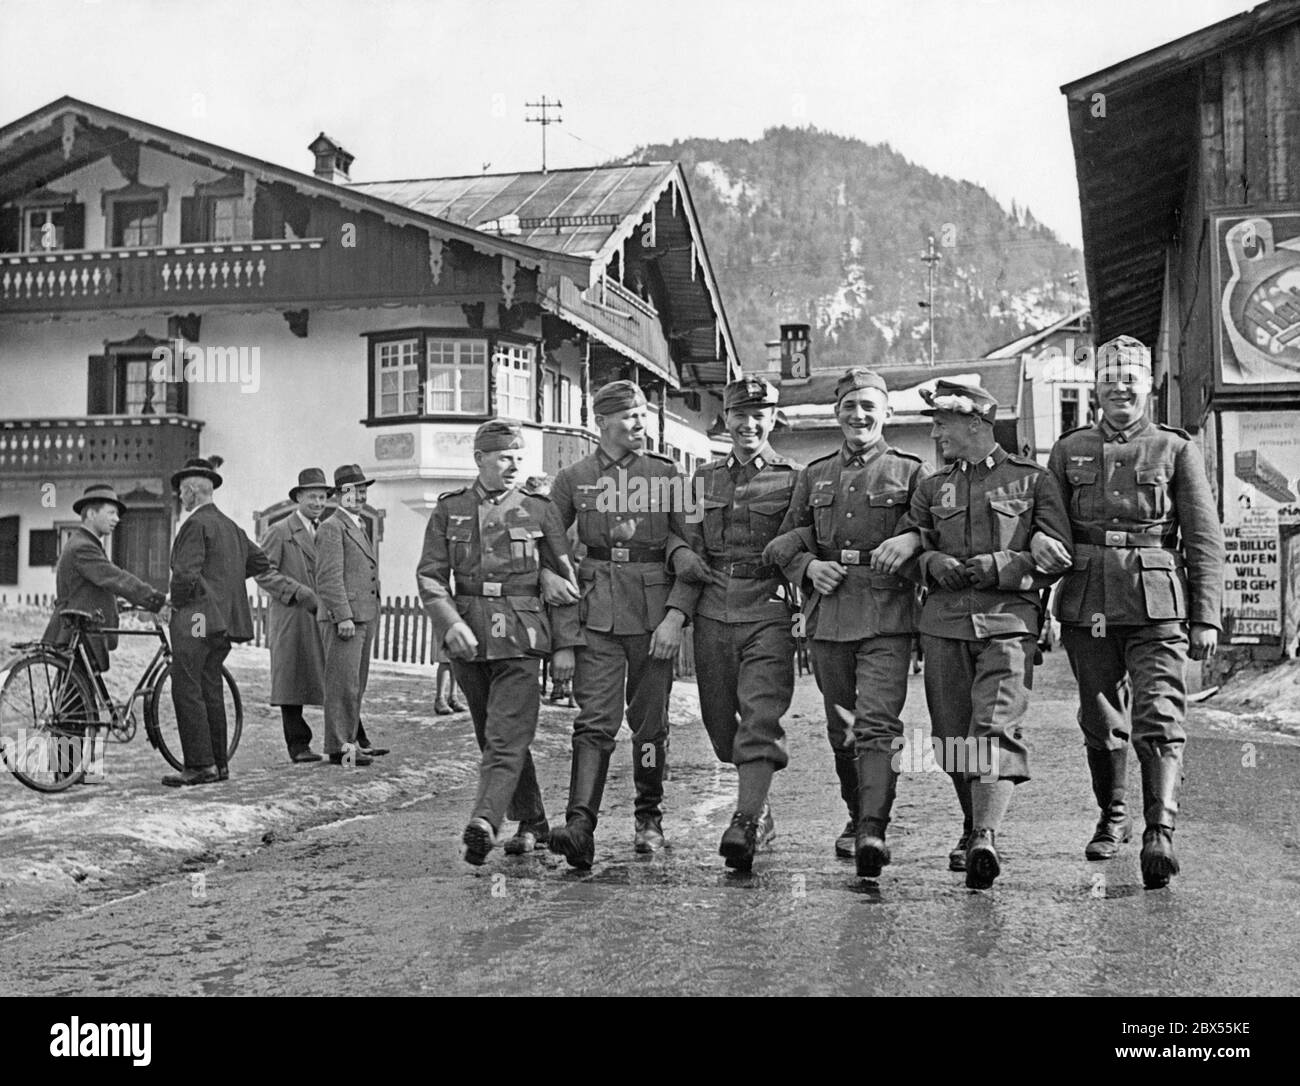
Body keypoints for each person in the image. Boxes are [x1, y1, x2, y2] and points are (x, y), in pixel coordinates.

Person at [1034, 335, 1224, 890]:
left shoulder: (1175, 449)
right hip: (1087, 599)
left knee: (1160, 713)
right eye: (1111, 382)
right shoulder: (1069, 450)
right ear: (1097, 389)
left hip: (1158, 603)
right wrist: (1045, 566)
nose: (1121, 391)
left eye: (1131, 383)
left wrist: (1205, 616)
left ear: (1146, 389)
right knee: (1099, 716)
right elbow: (1051, 525)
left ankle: (1159, 832)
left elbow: (1204, 536)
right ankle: (1113, 816)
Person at [889, 381, 1071, 888]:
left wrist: (1001, 565)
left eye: (942, 424)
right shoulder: (932, 487)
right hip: (944, 626)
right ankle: (971, 827)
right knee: (951, 736)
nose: (935, 433)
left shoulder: (1032, 482)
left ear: (977, 423)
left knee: (993, 728)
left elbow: (1057, 554)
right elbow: (914, 544)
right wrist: (931, 561)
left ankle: (986, 835)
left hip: (1008, 625)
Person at [763, 368, 930, 876]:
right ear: (837, 414)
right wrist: (807, 567)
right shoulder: (815, 474)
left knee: (878, 723)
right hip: (829, 614)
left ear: (887, 413)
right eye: (848, 407)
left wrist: (915, 539)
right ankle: (856, 817)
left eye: (867, 407)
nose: (858, 416)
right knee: (842, 729)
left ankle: (874, 828)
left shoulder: (912, 472)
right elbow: (786, 540)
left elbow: (937, 528)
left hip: (888, 614)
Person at [544, 379, 714, 869]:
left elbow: (693, 550)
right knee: (593, 722)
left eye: (644, 414)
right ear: (602, 423)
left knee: (649, 727)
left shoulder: (670, 475)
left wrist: (676, 617)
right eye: (630, 416)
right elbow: (543, 539)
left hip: (652, 617)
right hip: (596, 615)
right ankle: (580, 825)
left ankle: (649, 818)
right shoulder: (571, 478)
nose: (641, 424)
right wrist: (543, 575)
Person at [417, 420, 580, 864]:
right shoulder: (450, 510)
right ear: (480, 460)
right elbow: (430, 575)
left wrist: (565, 645)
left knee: (506, 736)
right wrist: (448, 621)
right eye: (504, 457)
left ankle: (485, 822)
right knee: (492, 735)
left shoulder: (538, 510)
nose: (513, 466)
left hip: (523, 636)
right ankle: (533, 820)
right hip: (468, 636)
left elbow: (564, 583)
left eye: (517, 457)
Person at [677, 376, 802, 872]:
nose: (749, 424)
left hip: (768, 610)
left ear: (773, 419)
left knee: (759, 715)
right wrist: (681, 563)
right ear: (725, 420)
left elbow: (802, 543)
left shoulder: (794, 478)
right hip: (711, 610)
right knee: (716, 719)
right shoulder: (700, 481)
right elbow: (686, 544)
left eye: (760, 415)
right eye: (739, 415)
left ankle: (745, 820)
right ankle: (760, 804)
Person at [167, 456, 284, 787]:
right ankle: (219, 765)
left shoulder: (194, 524)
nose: (181, 499)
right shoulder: (232, 527)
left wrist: (175, 602)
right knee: (210, 687)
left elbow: (185, 575)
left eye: (181, 493)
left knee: (187, 688)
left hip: (198, 619)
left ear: (191, 491)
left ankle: (199, 765)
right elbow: (260, 561)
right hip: (224, 623)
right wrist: (224, 580)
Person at [43, 484, 167, 677]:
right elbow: (115, 578)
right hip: (79, 630)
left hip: (79, 628)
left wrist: (119, 603)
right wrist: (155, 599)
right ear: (92, 514)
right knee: (78, 702)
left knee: (77, 699)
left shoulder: (84, 542)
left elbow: (89, 587)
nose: (116, 519)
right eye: (111, 513)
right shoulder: (83, 546)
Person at [255, 468, 331, 763]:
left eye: (322, 497)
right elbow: (262, 572)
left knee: (334, 675)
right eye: (311, 496)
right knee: (292, 679)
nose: (317, 502)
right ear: (298, 497)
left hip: (323, 615)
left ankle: (351, 740)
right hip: (293, 615)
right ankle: (298, 745)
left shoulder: (324, 530)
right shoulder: (280, 531)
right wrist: (297, 591)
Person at [314, 464, 382, 767]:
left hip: (363, 615)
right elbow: (328, 577)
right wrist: (342, 615)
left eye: (365, 488)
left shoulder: (357, 524)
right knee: (342, 685)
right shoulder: (331, 527)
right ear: (342, 494)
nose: (362, 494)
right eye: (356, 489)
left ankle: (351, 741)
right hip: (347, 618)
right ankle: (341, 748)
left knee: (356, 683)